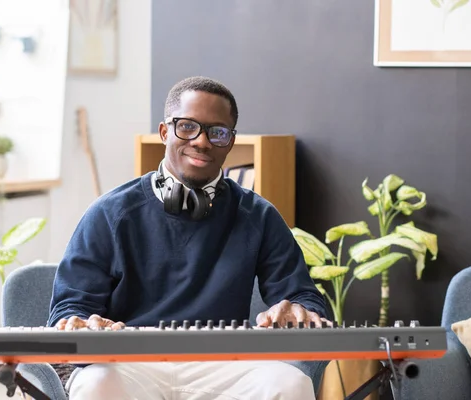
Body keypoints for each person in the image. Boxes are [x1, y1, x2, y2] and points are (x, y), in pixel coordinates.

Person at [48, 76, 331, 399]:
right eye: (187, 127)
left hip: (225, 364)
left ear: (230, 141)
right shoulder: (110, 212)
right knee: (96, 385)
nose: (202, 141)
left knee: (290, 384)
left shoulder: (258, 216)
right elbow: (69, 308)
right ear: (165, 132)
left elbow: (304, 297)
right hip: (130, 364)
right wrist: (83, 322)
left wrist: (297, 309)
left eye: (217, 132)